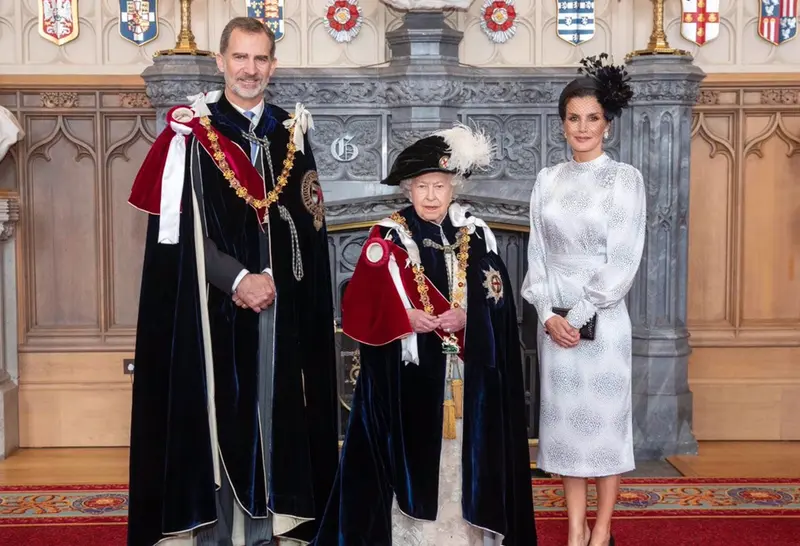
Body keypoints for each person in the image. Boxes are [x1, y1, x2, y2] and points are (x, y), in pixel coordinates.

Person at [126, 17, 339, 546]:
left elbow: (309, 226)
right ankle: (217, 532)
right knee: (223, 417)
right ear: (220, 62)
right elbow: (179, 234)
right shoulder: (192, 134)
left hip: (279, 308)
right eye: (240, 58)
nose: (250, 70)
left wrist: (277, 283)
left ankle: (270, 528)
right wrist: (240, 278)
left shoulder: (291, 132)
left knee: (278, 413)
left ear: (273, 65)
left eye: (260, 59)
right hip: (213, 310)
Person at [312, 125, 537, 546]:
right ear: (407, 189)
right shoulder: (388, 236)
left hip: (466, 378)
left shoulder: (476, 233)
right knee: (415, 460)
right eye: (422, 186)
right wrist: (405, 318)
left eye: (440, 185)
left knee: (462, 459)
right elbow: (359, 306)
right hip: (408, 379)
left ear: (454, 187)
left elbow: (500, 299)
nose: (431, 195)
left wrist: (469, 316)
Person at [521, 53, 644, 546]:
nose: (583, 127)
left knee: (606, 432)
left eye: (592, 118)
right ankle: (574, 529)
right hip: (555, 324)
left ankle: (602, 530)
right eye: (574, 118)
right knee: (567, 435)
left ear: (607, 125)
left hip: (604, 322)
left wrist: (580, 313)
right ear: (563, 123)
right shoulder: (546, 180)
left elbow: (624, 257)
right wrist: (548, 314)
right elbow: (536, 253)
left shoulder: (624, 179)